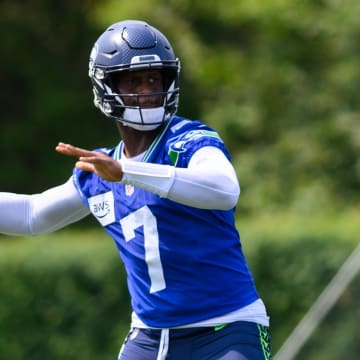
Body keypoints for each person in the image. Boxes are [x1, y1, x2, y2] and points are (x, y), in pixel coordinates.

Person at [0, 20, 272, 360]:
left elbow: (224, 189)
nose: (148, 90)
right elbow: (31, 215)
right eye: (134, 81)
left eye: (154, 79)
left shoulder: (187, 140)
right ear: (106, 86)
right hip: (150, 338)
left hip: (225, 330)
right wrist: (119, 170)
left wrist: (127, 172)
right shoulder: (99, 169)